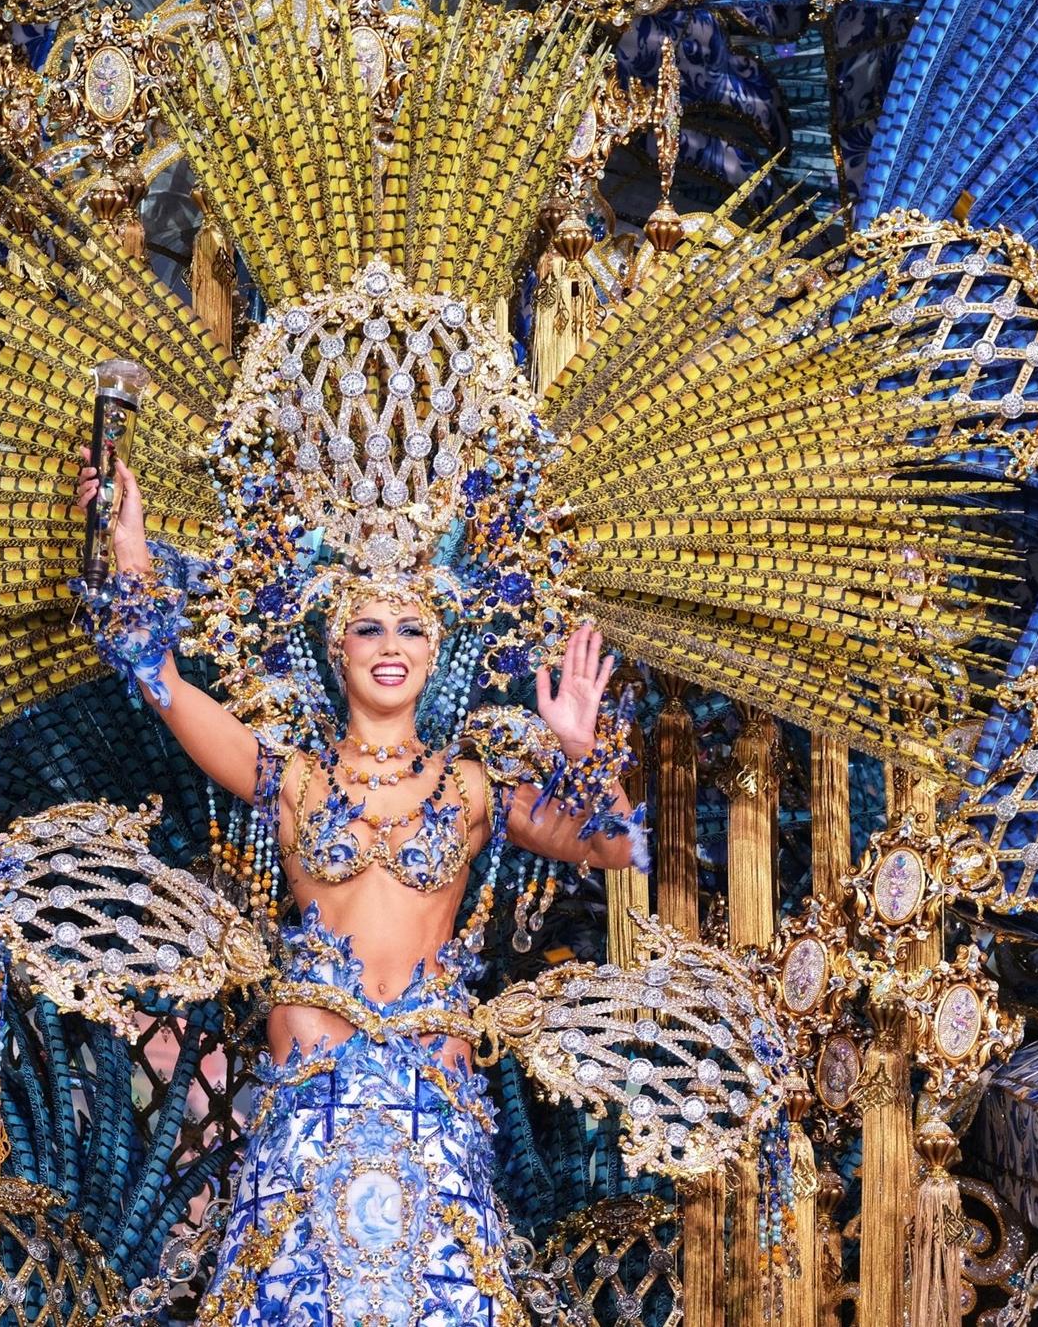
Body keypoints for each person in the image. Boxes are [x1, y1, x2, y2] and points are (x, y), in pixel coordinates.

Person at [76, 452, 641, 1325]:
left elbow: (617, 844)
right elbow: (162, 681)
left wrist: (578, 749)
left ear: (436, 646)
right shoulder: (293, 780)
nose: (391, 647)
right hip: (308, 1119)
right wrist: (130, 550)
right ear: (337, 646)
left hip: (435, 1119)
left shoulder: (472, 788)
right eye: (369, 627)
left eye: (410, 628)